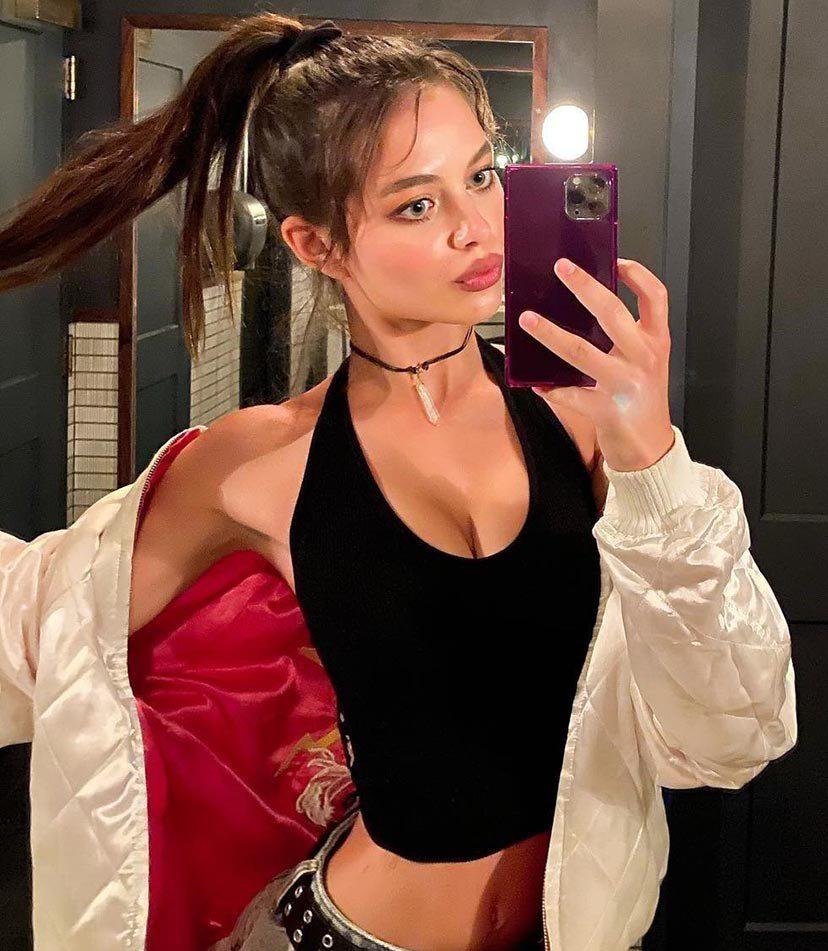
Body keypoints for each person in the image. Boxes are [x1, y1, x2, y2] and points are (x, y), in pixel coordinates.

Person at [0, 13, 798, 951]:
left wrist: (654, 459)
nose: (477, 227)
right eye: (417, 205)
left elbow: (732, 730)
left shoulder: (580, 420)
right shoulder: (258, 461)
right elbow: (48, 625)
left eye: (482, 176)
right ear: (315, 245)